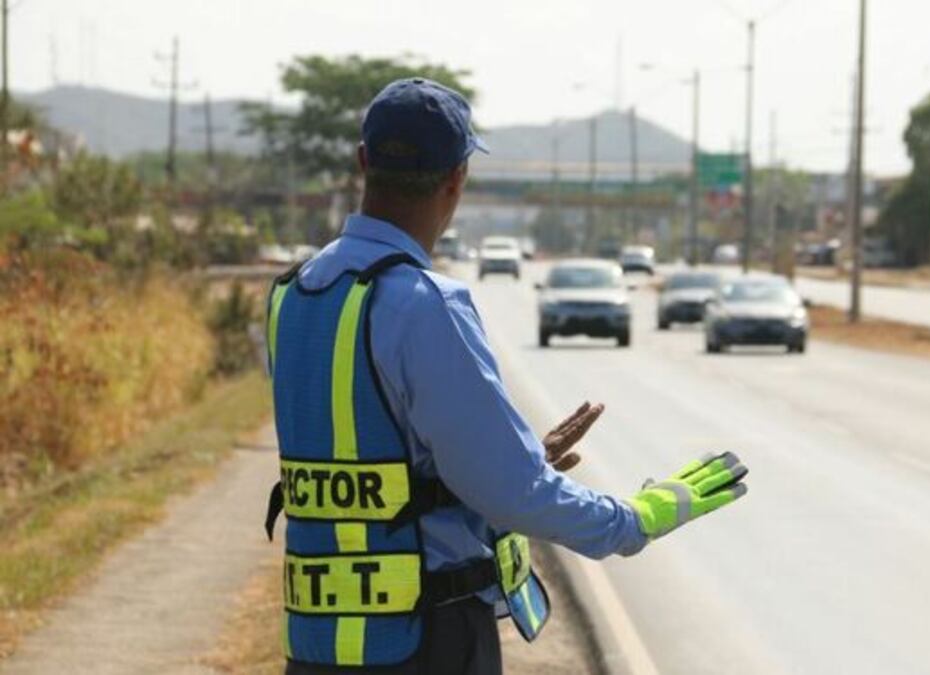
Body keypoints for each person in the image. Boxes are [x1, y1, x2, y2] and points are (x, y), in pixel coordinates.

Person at [263, 77, 748, 674]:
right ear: (458, 177)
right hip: (426, 643)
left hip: (316, 643)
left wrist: (512, 458)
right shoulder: (426, 304)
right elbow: (512, 493)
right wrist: (634, 519)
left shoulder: (291, 294)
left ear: (364, 161)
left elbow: (363, 461)